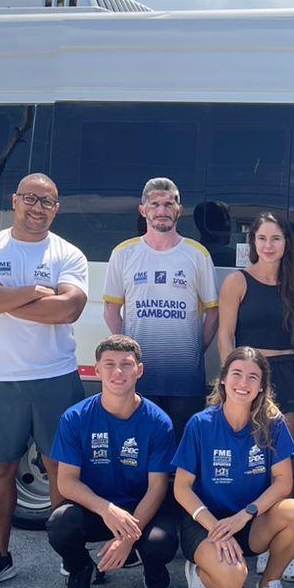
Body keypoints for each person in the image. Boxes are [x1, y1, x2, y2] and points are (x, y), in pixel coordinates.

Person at [0, 173, 88, 588]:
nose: (37, 208)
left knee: (60, 471)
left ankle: (70, 557)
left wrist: (4, 297)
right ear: (15, 200)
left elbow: (68, 309)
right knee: (0, 470)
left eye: (46, 202)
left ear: (57, 208)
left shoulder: (69, 253)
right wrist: (33, 291)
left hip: (54, 375)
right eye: (30, 199)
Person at [172, 347, 294, 588]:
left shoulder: (273, 424)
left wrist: (245, 515)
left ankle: (267, 586)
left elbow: (283, 483)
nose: (243, 383)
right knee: (230, 582)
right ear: (223, 379)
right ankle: (199, 573)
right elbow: (181, 487)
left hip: (248, 520)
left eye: (252, 377)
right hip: (205, 522)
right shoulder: (200, 424)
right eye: (236, 374)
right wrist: (216, 527)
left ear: (262, 387)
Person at [47, 335, 178, 588]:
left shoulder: (158, 422)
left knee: (161, 543)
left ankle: (152, 567)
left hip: (140, 508)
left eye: (126, 364)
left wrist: (128, 536)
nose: (118, 372)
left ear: (139, 370)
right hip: (96, 508)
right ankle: (81, 570)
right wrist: (106, 509)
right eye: (109, 364)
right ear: (96, 369)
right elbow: (66, 482)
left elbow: (157, 488)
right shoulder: (75, 417)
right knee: (60, 523)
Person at [216, 213, 294, 582]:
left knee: (279, 464)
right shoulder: (236, 282)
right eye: (262, 239)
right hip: (246, 375)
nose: (269, 245)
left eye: (276, 239)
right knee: (245, 459)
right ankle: (244, 537)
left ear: (287, 243)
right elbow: (225, 336)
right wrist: (231, 380)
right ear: (252, 243)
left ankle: (286, 547)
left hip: (286, 375)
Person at [102, 176, 218, 440]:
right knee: (139, 451)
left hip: (186, 381)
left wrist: (194, 350)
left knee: (182, 455)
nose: (162, 210)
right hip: (139, 378)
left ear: (179, 209)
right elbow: (110, 309)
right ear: (143, 210)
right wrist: (128, 351)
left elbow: (213, 313)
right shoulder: (123, 253)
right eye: (155, 204)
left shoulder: (197, 254)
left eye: (169, 203)